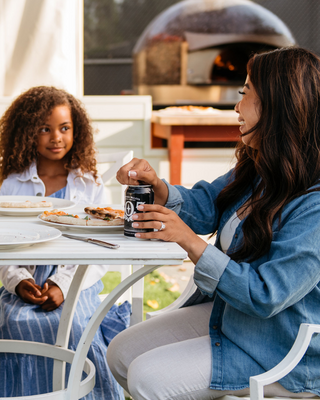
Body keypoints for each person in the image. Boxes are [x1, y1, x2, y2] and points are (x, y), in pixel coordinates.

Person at [107, 46, 320, 400]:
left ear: (278, 104)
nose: (236, 106)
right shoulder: (260, 168)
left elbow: (266, 295)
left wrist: (191, 242)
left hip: (280, 347)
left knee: (147, 378)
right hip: (234, 317)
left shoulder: (314, 202)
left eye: (245, 93)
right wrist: (157, 187)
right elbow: (207, 203)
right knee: (119, 353)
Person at [0, 86, 130, 399]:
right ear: (26, 132)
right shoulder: (11, 183)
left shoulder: (89, 184)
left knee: (70, 324)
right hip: (23, 282)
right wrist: (17, 280)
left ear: (77, 131)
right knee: (13, 321)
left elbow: (99, 250)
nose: (55, 137)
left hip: (77, 280)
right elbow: (3, 246)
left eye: (64, 128)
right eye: (44, 129)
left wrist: (62, 284)